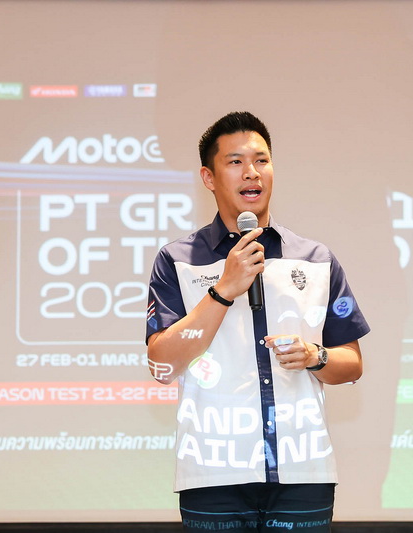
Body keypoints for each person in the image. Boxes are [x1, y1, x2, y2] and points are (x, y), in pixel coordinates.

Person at [146, 111, 370, 532]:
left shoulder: (316, 260)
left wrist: (315, 356)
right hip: (213, 471)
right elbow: (162, 364)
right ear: (209, 177)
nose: (251, 172)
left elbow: (352, 364)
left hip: (303, 471)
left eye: (261, 160)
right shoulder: (177, 261)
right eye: (235, 162)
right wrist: (222, 291)